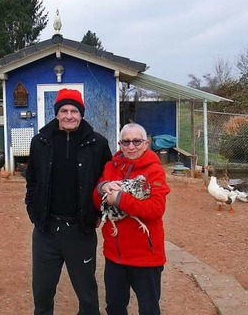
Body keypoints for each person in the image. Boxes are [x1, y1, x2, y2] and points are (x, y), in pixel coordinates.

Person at [25, 88, 112, 315]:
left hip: (80, 231)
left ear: (82, 113)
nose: (69, 115)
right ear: (56, 113)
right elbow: (31, 181)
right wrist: (34, 214)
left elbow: (108, 181)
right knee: (42, 294)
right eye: (64, 110)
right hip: (46, 231)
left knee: (87, 295)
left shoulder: (98, 144)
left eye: (74, 110)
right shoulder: (40, 142)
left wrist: (98, 214)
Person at [93, 123, 170, 315]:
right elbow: (97, 202)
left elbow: (155, 209)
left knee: (149, 309)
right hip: (115, 255)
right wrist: (102, 188)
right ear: (120, 144)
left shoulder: (154, 171)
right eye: (126, 142)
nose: (131, 146)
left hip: (146, 256)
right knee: (115, 307)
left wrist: (119, 199)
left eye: (137, 141)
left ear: (146, 144)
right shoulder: (110, 167)